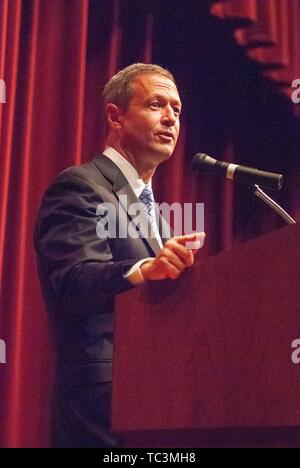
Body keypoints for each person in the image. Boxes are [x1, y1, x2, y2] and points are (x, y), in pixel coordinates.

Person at [34, 63, 205, 448]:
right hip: (101, 405)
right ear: (115, 115)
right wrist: (146, 268)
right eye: (156, 105)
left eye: (176, 110)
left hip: (156, 402)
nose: (170, 119)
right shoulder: (81, 185)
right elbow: (74, 279)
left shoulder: (156, 215)